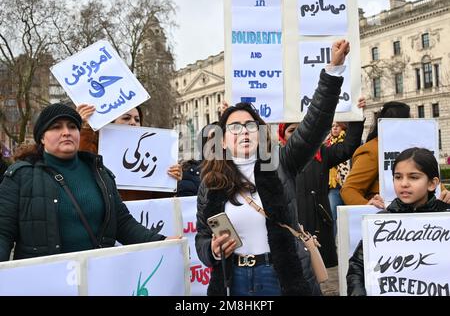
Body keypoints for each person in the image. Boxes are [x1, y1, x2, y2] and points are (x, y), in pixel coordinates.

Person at [195, 39, 350, 296]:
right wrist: (212, 249)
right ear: (222, 139)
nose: (243, 131)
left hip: (279, 275)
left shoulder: (280, 163)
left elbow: (314, 126)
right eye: (234, 127)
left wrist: (332, 73)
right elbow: (202, 236)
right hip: (233, 279)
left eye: (250, 125)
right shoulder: (211, 182)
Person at [0, 103, 178, 261]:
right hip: (44, 281)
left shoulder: (100, 174)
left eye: (72, 126)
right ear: (41, 137)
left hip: (97, 279)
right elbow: (3, 233)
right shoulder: (20, 176)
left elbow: (124, 224)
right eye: (56, 127)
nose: (66, 132)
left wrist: (162, 242)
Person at [346, 147, 449, 296]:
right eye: (398, 177)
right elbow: (357, 266)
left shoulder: (445, 217)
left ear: (432, 183)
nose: (404, 183)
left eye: (414, 177)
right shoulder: (381, 222)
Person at [277, 100, 365, 269]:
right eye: (291, 131)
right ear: (283, 136)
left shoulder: (322, 153)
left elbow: (348, 147)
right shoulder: (275, 158)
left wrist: (355, 117)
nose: (297, 135)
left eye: (301, 130)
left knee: (320, 275)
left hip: (317, 225)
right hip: (289, 226)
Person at [76, 104, 182, 201]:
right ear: (111, 122)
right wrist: (85, 127)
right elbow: (83, 166)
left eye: (137, 119)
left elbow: (158, 200)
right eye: (126, 118)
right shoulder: (96, 147)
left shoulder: (151, 156)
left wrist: (171, 180)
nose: (133, 122)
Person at [340, 102, 411, 209]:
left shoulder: (414, 147)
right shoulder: (373, 150)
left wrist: (442, 192)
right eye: (410, 119)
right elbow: (349, 190)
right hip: (386, 219)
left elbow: (425, 176)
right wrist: (367, 205)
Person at [327, 121, 351, 236]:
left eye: (337, 126)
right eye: (332, 126)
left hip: (348, 186)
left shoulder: (349, 143)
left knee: (348, 217)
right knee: (332, 216)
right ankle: (332, 244)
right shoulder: (327, 144)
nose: (335, 128)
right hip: (334, 187)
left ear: (343, 127)